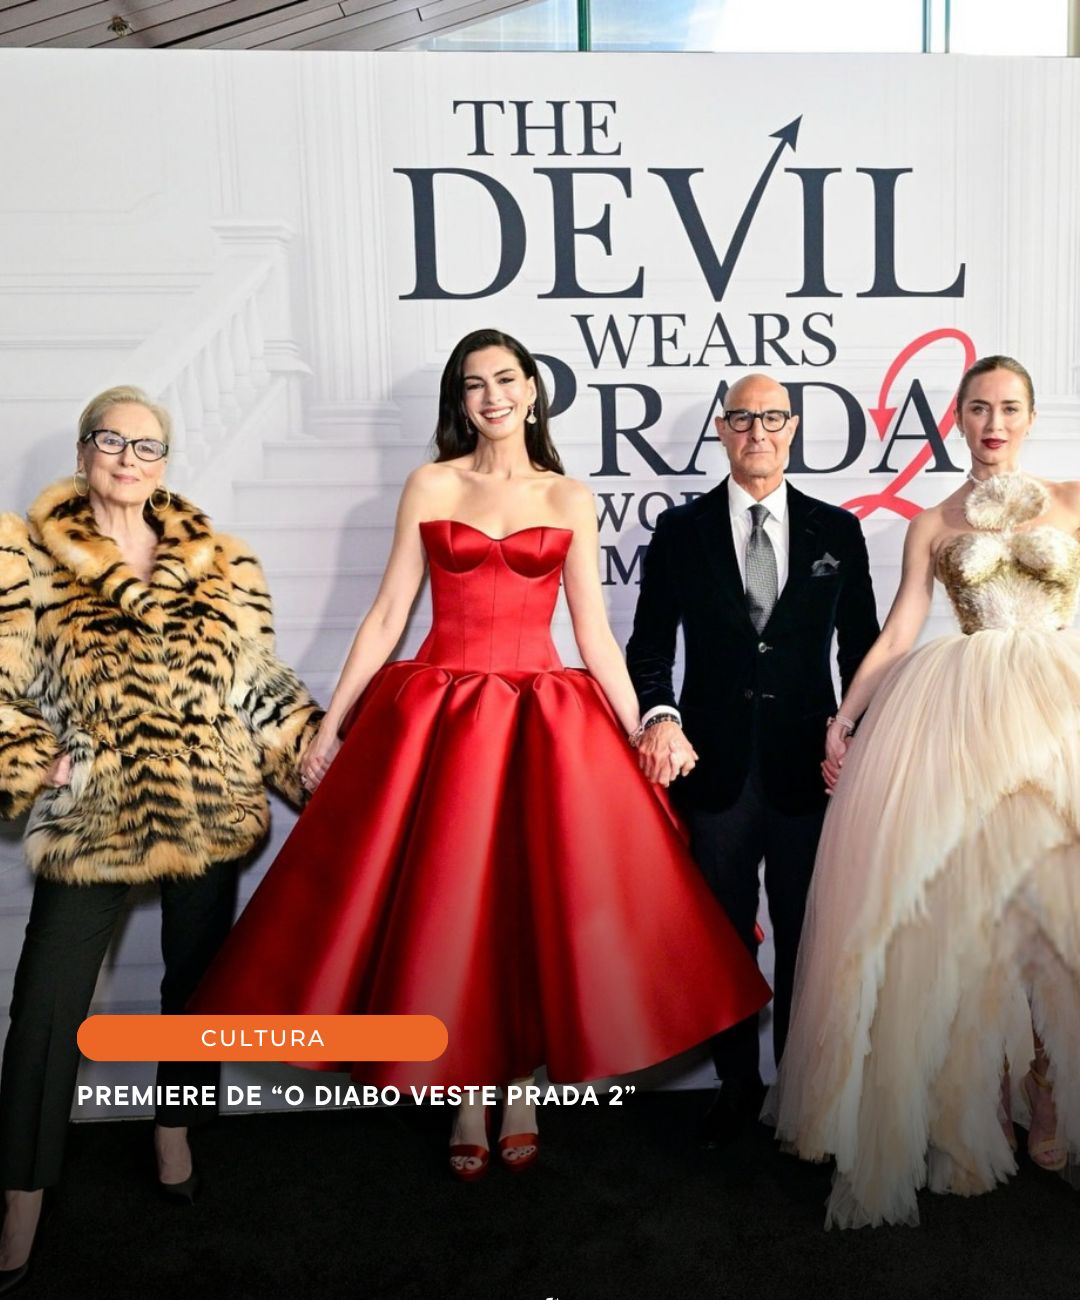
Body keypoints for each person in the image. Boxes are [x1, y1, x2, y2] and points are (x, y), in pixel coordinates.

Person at [192, 328, 771, 1181]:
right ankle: (467, 1089)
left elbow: (593, 634)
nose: (492, 395)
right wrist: (329, 725)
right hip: (443, 718)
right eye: (474, 384)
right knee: (455, 911)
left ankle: (523, 1085)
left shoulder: (568, 496)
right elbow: (389, 613)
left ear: (533, 390)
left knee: (533, 907)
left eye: (505, 379)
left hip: (544, 718)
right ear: (460, 402)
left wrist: (641, 726)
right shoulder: (431, 483)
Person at [0, 386, 322, 1292]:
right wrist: (37, 760)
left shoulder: (222, 562)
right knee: (46, 1008)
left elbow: (260, 685)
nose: (128, 459)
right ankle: (20, 1193)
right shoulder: (26, 555)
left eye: (147, 446)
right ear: (82, 452)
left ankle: (175, 1127)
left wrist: (318, 755)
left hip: (211, 809)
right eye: (111, 441)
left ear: (166, 464)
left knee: (198, 987)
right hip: (94, 821)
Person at [772, 354, 1080, 1228]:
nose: (994, 422)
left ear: (1031, 416)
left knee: (1058, 918)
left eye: (1009, 407)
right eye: (978, 407)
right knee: (979, 922)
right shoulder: (931, 520)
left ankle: (1050, 1095)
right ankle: (982, 1101)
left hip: (1060, 722)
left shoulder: (1072, 499)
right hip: (967, 726)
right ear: (958, 417)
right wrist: (845, 716)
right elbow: (902, 628)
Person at [626, 373, 880, 1148]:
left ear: (793, 427)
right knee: (723, 939)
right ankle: (738, 1085)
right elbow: (648, 647)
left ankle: (801, 1090)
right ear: (722, 430)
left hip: (812, 769)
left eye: (772, 418)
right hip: (714, 770)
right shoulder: (681, 531)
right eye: (742, 419)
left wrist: (857, 733)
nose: (757, 432)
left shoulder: (838, 530)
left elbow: (862, 648)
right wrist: (661, 716)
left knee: (809, 934)